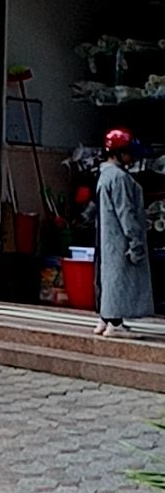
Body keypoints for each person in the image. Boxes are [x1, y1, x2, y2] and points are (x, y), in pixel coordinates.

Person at [94, 127, 154, 336]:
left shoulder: (104, 176)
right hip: (120, 240)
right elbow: (126, 213)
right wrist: (135, 242)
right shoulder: (119, 178)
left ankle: (106, 318)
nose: (131, 157)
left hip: (108, 238)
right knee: (119, 279)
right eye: (128, 152)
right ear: (119, 153)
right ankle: (115, 323)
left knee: (109, 278)